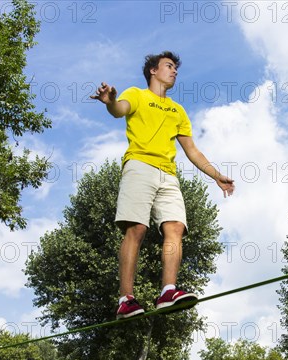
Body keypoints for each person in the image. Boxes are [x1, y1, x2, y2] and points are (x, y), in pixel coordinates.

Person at [91, 51, 235, 319]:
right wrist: (110, 101)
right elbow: (118, 110)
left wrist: (215, 174)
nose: (175, 71)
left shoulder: (178, 110)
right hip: (139, 166)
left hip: (168, 175)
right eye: (169, 66)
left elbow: (192, 150)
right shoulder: (136, 94)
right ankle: (126, 299)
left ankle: (168, 291)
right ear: (153, 71)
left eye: (176, 68)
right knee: (136, 228)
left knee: (176, 227)